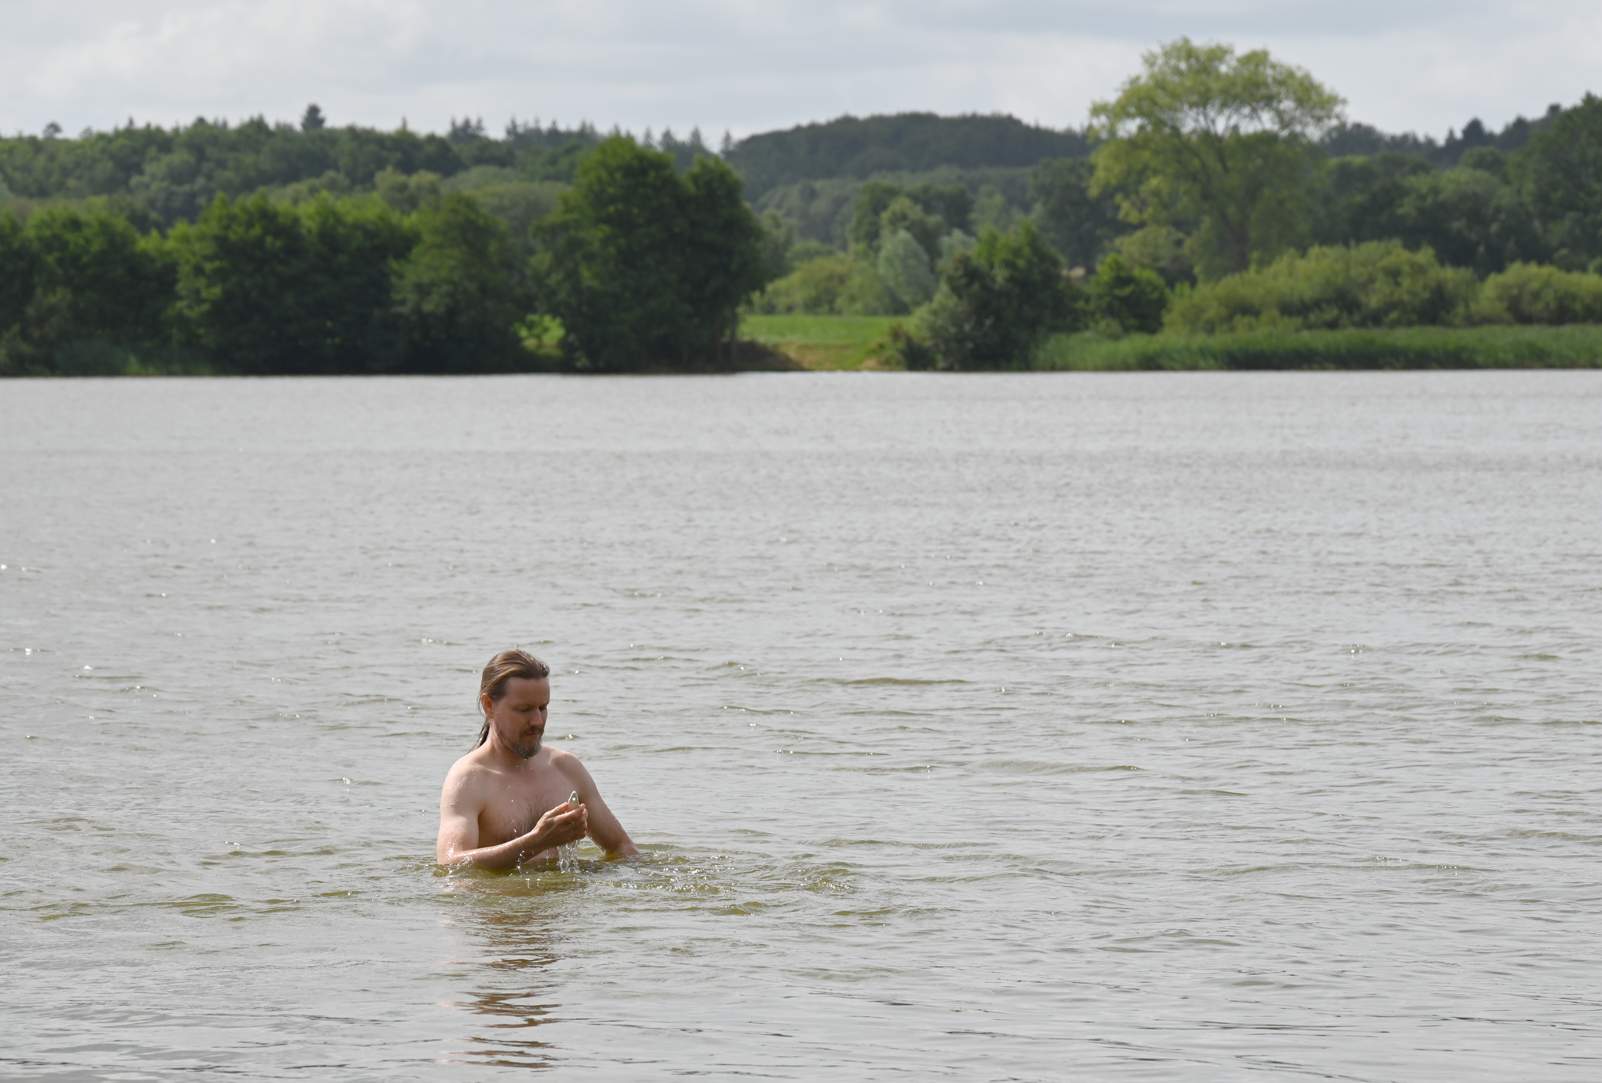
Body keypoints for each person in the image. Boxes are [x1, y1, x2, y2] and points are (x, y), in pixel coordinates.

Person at [436, 649, 637, 867]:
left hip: (565, 899)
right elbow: (451, 864)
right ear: (488, 705)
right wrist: (538, 840)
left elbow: (621, 848)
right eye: (524, 710)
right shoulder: (469, 778)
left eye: (543, 707)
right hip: (504, 900)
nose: (537, 721)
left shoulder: (566, 768)